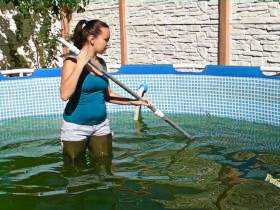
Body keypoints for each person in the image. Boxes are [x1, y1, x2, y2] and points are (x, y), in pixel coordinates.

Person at [60, 19, 151, 165]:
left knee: (104, 166)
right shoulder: (71, 61)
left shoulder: (101, 64)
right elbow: (64, 95)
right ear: (92, 39)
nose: (108, 44)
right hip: (75, 128)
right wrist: (81, 65)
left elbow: (107, 95)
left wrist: (134, 101)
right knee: (75, 171)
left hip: (101, 126)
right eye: (106, 39)